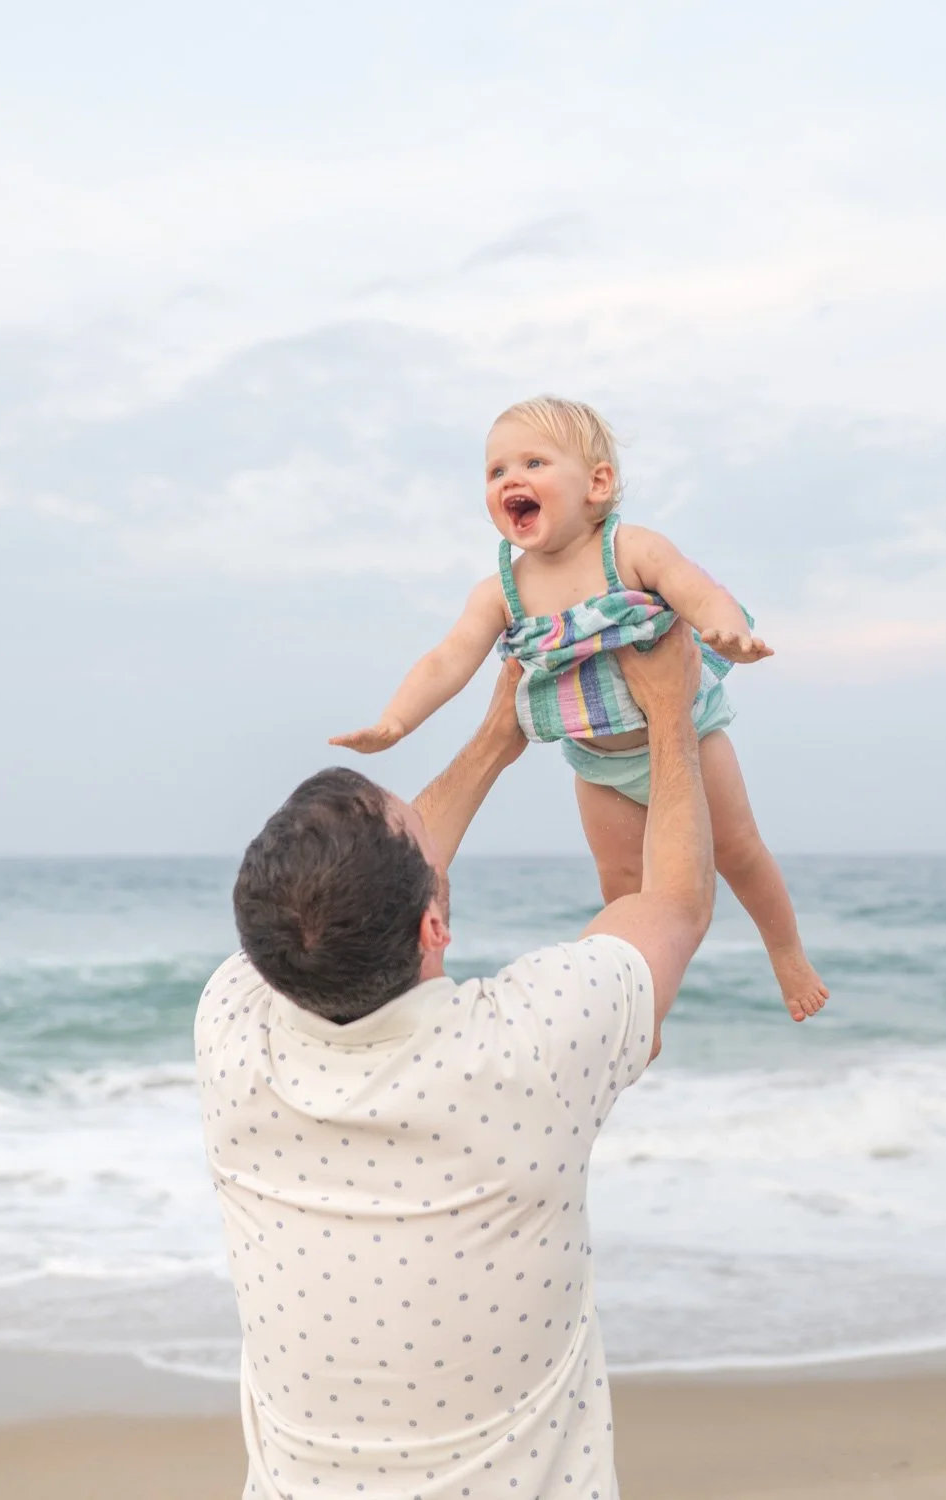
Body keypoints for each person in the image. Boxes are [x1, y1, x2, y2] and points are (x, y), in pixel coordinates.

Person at [197, 624, 715, 1500]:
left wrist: (493, 741)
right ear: (434, 929)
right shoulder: (533, 1041)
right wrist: (670, 713)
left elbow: (354, 897)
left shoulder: (231, 1030)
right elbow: (670, 905)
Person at [330, 396, 826, 1023]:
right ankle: (639, 1006)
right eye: (495, 471)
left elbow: (696, 588)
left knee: (738, 851)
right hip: (596, 760)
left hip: (688, 737)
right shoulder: (503, 591)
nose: (511, 479)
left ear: (597, 483)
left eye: (534, 462)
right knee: (620, 882)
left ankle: (786, 953)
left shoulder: (629, 550)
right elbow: (446, 659)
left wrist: (728, 631)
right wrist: (396, 721)